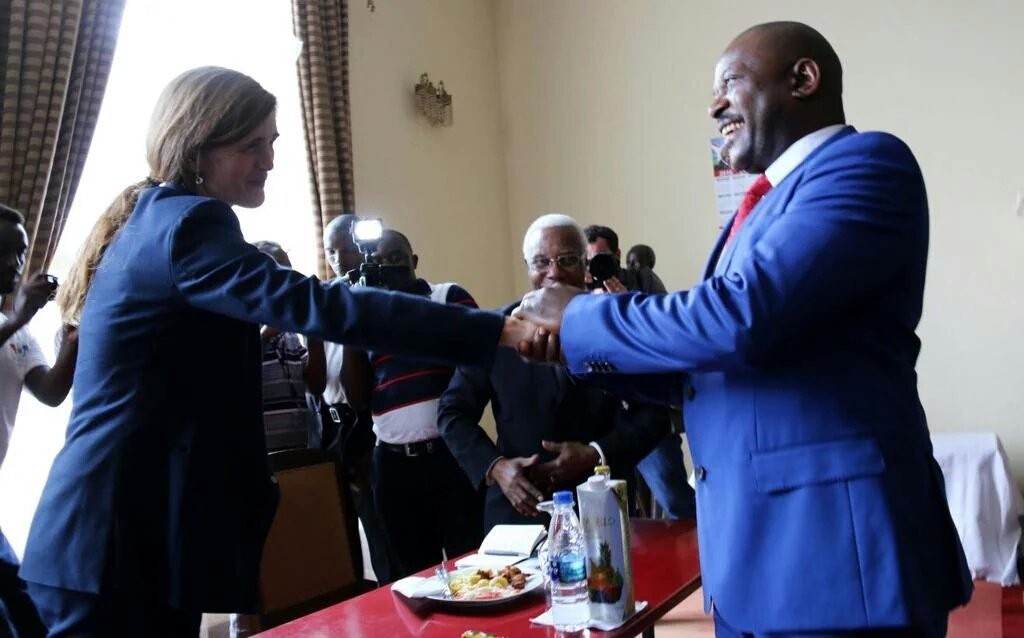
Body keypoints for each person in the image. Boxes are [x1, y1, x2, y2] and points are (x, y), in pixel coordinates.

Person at [18, 67, 535, 636]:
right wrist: (496, 330)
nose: (269, 159)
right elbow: (322, 305)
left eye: (273, 142)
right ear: (198, 146)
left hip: (124, 539)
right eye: (251, 145)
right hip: (116, 542)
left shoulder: (149, 222)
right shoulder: (191, 224)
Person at [515, 22, 971, 637]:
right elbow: (711, 370)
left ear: (803, 79)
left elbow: (739, 316)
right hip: (750, 569)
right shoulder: (755, 212)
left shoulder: (866, 163)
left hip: (844, 567)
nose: (714, 105)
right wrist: (576, 349)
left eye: (730, 81)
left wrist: (579, 316)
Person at [438, 215, 668, 530]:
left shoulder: (615, 325)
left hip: (602, 513)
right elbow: (452, 412)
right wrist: (498, 468)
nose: (554, 272)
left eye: (567, 260)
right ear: (527, 266)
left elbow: (654, 416)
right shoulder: (494, 331)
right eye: (541, 262)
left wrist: (595, 454)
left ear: (586, 264)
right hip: (519, 516)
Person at [342, 229, 485, 579]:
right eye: (378, 261)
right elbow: (358, 397)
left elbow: (481, 363)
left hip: (452, 456)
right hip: (393, 466)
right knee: (412, 578)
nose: (387, 267)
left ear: (414, 261)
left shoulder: (446, 297)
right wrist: (351, 321)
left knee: (471, 564)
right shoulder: (367, 316)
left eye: (395, 259)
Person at [0, 204, 77, 638]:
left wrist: (73, 339)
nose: (13, 263)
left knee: (25, 611)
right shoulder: (13, 325)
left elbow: (49, 393)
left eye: (20, 253)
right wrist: (18, 318)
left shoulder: (16, 334)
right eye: (2, 251)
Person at [584, 224, 695, 521]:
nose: (596, 266)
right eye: (589, 259)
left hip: (644, 411)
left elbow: (666, 334)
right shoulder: (577, 290)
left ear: (618, 255)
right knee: (613, 514)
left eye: (603, 257)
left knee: (675, 500)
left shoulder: (642, 280)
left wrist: (627, 305)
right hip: (602, 419)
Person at [320, 214, 395, 584]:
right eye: (331, 251)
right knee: (341, 542)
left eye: (347, 249)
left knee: (383, 535)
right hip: (331, 433)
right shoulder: (323, 303)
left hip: (367, 426)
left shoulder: (376, 300)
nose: (339, 259)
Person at [251, 241, 326, 451]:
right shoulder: (236, 324)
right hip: (260, 457)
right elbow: (234, 377)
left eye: (289, 269)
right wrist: (265, 335)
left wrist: (314, 332)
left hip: (301, 452)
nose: (288, 278)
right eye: (279, 268)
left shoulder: (290, 333)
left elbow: (316, 386)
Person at [583, 225, 666, 294]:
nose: (592, 266)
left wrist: (626, 301)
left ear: (617, 254)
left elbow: (664, 312)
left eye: (599, 259)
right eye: (587, 261)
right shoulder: (580, 287)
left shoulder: (643, 279)